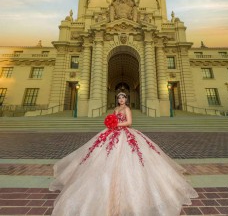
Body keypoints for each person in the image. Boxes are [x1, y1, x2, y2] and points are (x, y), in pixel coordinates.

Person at [49, 92, 198, 215]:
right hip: (112, 133)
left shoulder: (127, 109)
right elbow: (112, 119)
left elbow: (129, 123)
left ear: (126, 99)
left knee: (132, 159)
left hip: (124, 134)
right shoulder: (115, 109)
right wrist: (110, 124)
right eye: (119, 98)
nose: (121, 100)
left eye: (123, 98)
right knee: (100, 157)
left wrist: (116, 124)